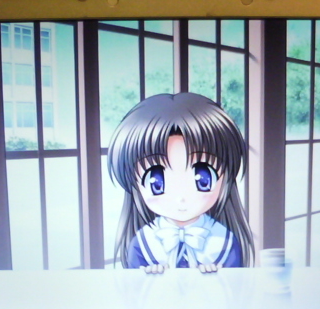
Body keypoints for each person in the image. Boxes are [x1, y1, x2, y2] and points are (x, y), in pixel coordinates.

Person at [108, 92, 254, 273]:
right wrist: (149, 278)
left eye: (202, 179)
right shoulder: (143, 243)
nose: (181, 198)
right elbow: (133, 286)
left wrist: (216, 278)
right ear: (135, 183)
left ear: (225, 177)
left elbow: (236, 283)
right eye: (156, 182)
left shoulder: (224, 241)